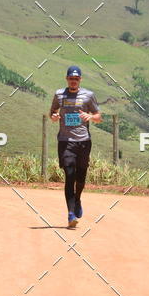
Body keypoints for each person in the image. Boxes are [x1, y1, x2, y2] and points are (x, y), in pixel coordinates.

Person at [50, 66, 101, 228]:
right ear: (67, 79)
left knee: (80, 177)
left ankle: (77, 198)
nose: (73, 81)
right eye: (71, 78)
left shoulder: (88, 95)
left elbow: (99, 116)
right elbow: (52, 112)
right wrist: (54, 116)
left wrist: (90, 116)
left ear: (80, 80)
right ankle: (71, 214)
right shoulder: (59, 94)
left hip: (84, 142)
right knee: (69, 175)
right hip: (65, 141)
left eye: (76, 79)